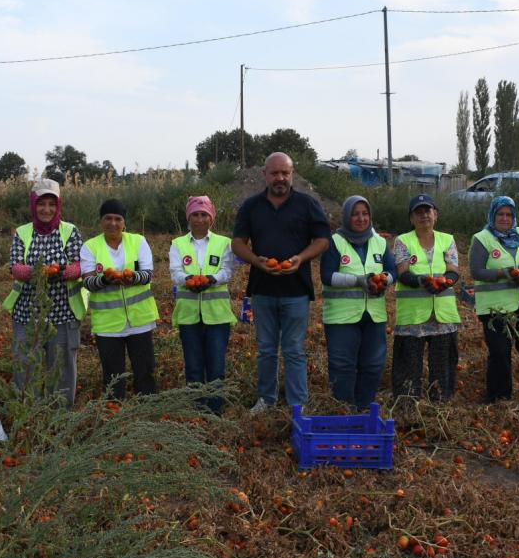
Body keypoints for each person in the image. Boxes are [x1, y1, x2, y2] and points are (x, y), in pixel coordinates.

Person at [231, 152, 331, 413]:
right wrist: (256, 260)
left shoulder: (307, 204)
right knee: (265, 349)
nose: (280, 178)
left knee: (294, 349)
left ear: (292, 174)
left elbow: (322, 240)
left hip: (296, 289)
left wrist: (301, 258)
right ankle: (266, 399)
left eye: (285, 173)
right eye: (275, 173)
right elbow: (238, 243)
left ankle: (298, 402)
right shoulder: (251, 206)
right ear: (265, 175)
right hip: (262, 288)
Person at [2, 179, 85, 406]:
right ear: (33, 204)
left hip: (63, 313)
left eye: (51, 203)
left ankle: (60, 413)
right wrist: (36, 272)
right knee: (27, 364)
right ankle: (29, 413)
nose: (46, 209)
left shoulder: (70, 231)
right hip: (28, 313)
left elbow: (80, 264)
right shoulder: (23, 232)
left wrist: (62, 272)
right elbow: (15, 266)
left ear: (58, 205)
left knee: (62, 365)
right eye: (41, 204)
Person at [469, 195, 519, 402]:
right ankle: (499, 397)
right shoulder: (482, 238)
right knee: (500, 352)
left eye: (508, 214)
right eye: (500, 214)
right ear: (492, 215)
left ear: (514, 216)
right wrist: (503, 273)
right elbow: (476, 271)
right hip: (496, 308)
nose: (505, 218)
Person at [320, 195, 396, 409]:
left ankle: (363, 408)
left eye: (365, 214)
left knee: (373, 365)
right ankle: (344, 409)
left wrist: (383, 281)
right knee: (342, 366)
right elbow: (327, 275)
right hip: (341, 317)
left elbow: (391, 272)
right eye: (355, 214)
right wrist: (358, 281)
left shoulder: (379, 242)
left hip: (373, 315)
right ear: (346, 216)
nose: (361, 218)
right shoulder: (335, 241)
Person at [80, 198, 158, 399]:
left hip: (139, 320)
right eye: (108, 218)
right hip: (108, 325)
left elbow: (148, 274)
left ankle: (148, 412)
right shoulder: (90, 247)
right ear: (101, 221)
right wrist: (105, 280)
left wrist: (132, 277)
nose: (113, 223)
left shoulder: (138, 241)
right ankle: (116, 417)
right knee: (113, 376)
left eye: (118, 219)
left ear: (124, 222)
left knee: (145, 372)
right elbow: (87, 282)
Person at [169, 195, 237, 413]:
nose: (199, 219)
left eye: (204, 215)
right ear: (189, 218)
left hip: (217, 316)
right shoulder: (177, 244)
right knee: (194, 365)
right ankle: (196, 409)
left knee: (216, 365)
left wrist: (211, 280)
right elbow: (175, 272)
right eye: (195, 215)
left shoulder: (223, 243)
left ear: (211, 218)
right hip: (189, 315)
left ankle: (215, 410)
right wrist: (187, 281)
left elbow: (227, 271)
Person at [392, 194, 461, 402]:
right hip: (413, 315)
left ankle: (439, 403)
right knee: (409, 365)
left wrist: (445, 282)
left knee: (442, 364)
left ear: (435, 215)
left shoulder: (447, 239)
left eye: (428, 211)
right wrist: (423, 280)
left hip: (442, 315)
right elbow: (402, 272)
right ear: (411, 218)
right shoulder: (403, 241)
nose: (424, 216)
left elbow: (453, 270)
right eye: (418, 212)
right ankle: (408, 405)